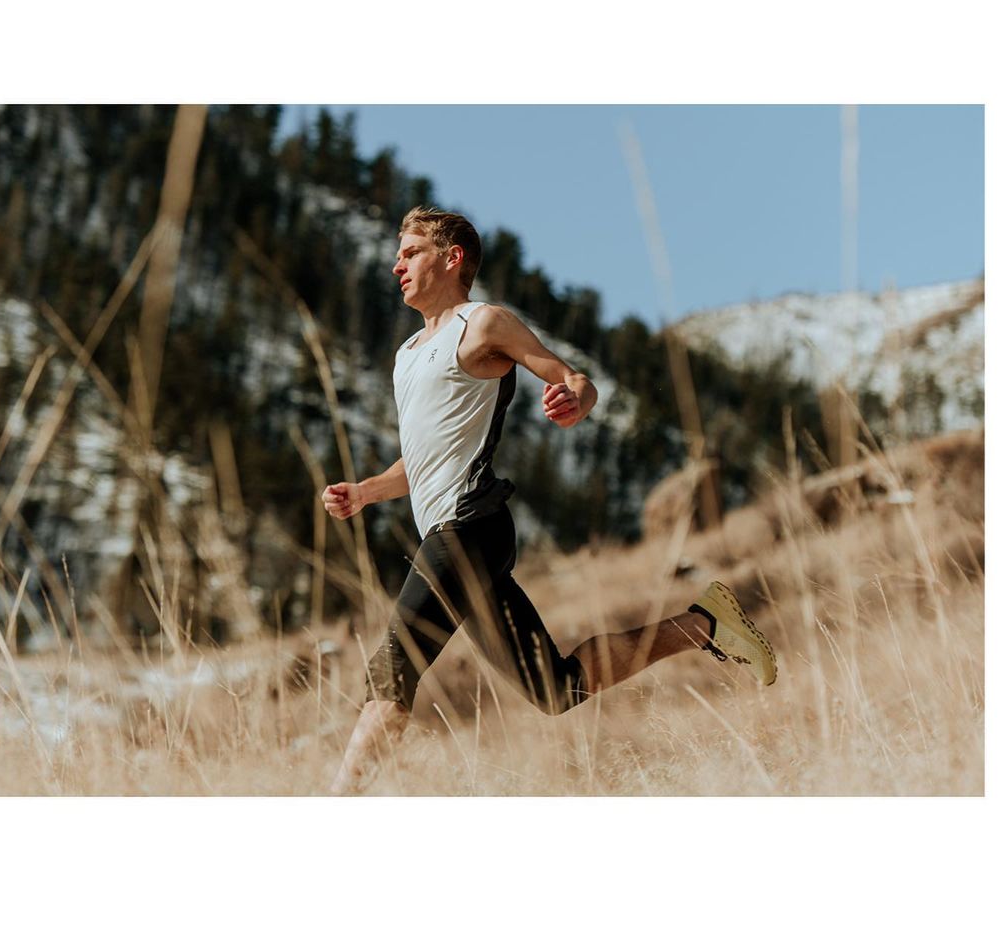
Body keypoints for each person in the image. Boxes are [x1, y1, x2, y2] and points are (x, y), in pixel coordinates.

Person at [322, 207, 777, 793]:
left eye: (410, 253)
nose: (397, 265)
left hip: (470, 526)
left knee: (395, 664)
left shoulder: (482, 324)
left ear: (452, 258)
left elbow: (574, 378)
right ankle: (704, 624)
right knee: (555, 689)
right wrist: (367, 491)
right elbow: (427, 455)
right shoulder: (408, 353)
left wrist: (575, 401)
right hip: (453, 535)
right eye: (397, 255)